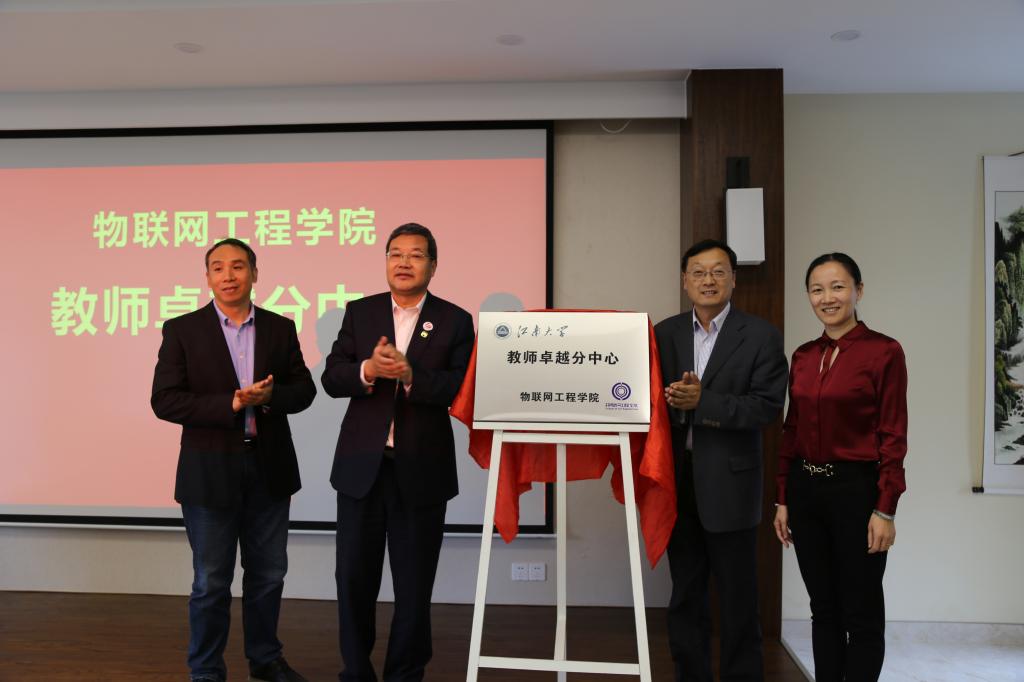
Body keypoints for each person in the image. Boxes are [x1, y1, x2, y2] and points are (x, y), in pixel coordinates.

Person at [151, 238, 317, 682]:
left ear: (254, 274)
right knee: (210, 581)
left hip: (269, 469)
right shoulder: (182, 330)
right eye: (218, 267)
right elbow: (164, 400)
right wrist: (230, 402)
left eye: (238, 266)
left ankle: (265, 660)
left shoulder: (280, 328)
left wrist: (271, 397)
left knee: (269, 575)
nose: (229, 275)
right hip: (209, 473)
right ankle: (206, 670)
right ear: (207, 277)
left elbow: (304, 391)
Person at [322, 222, 475, 681]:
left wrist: (411, 376)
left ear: (433, 265)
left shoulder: (454, 320)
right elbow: (332, 377)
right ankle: (355, 672)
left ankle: (405, 675)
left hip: (421, 471)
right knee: (353, 581)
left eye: (415, 254)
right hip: (361, 471)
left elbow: (462, 388)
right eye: (395, 253)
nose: (404, 262)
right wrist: (368, 369)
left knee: (413, 585)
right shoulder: (360, 312)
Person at [654, 238, 788, 682]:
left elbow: (767, 408)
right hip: (678, 482)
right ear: (684, 281)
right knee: (685, 594)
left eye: (717, 271)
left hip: (732, 485)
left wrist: (703, 402)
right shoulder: (664, 334)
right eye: (698, 272)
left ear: (733, 279)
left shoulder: (762, 335)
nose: (707, 280)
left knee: (738, 598)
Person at [772, 253, 907, 682]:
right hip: (805, 492)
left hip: (857, 492)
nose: (827, 297)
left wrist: (885, 508)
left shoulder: (884, 351)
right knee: (823, 608)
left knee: (861, 611)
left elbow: (893, 435)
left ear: (858, 291)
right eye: (817, 289)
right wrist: (782, 498)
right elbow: (791, 429)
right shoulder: (803, 355)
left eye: (837, 287)